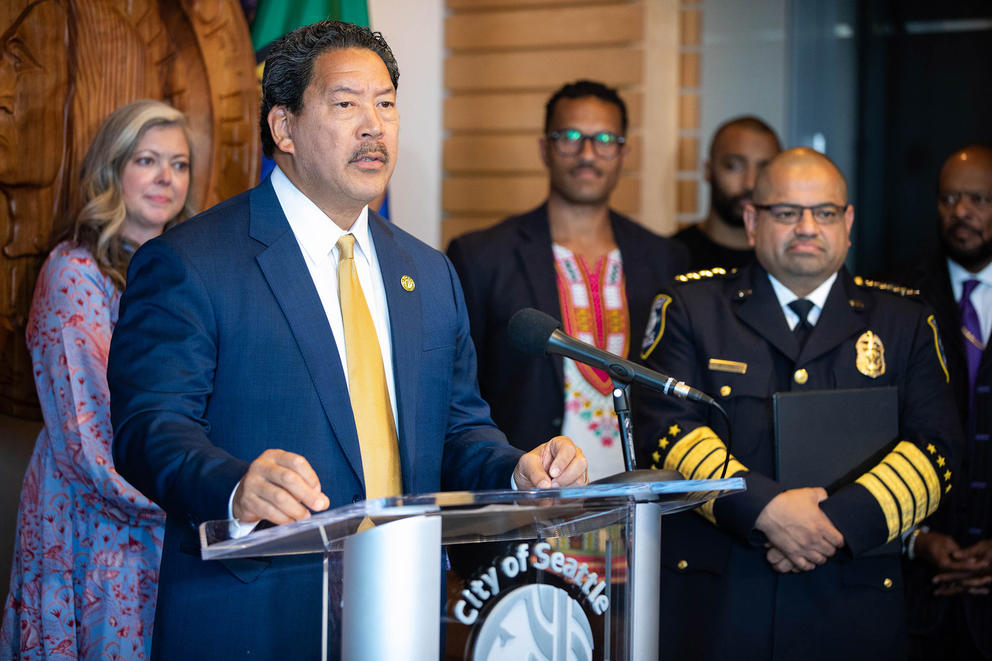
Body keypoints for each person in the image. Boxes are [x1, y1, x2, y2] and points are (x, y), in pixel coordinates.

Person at [107, 21, 588, 659]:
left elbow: (456, 429)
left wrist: (517, 470)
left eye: (386, 104)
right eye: (346, 104)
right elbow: (149, 427)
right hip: (256, 614)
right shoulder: (193, 260)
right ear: (283, 128)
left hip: (404, 609)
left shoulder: (427, 271)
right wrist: (234, 486)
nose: (374, 126)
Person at [636, 147, 960, 660]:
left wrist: (831, 525)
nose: (807, 227)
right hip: (719, 606)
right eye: (786, 212)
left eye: (825, 212)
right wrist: (765, 509)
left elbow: (937, 448)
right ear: (751, 221)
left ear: (847, 221)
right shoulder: (689, 310)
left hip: (854, 605)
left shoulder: (906, 322)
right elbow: (664, 433)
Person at [1, 99, 194, 659]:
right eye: (147, 160)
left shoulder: (187, 264)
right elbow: (90, 441)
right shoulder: (74, 272)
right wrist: (205, 497)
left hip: (170, 507)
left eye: (179, 164)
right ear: (112, 170)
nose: (166, 178)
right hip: (96, 516)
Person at [447, 80, 688, 480]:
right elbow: (460, 397)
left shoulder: (665, 258)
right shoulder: (482, 256)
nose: (587, 154)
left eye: (605, 139)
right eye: (570, 137)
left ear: (624, 152)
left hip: (638, 506)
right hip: (531, 499)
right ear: (545, 148)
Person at [894, 145, 992, 660]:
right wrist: (917, 539)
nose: (961, 212)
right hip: (917, 591)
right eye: (949, 198)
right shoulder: (899, 295)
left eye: (978, 198)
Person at [674, 115, 781, 271]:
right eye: (734, 166)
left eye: (764, 169)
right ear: (708, 171)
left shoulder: (785, 261)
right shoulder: (670, 257)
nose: (750, 183)